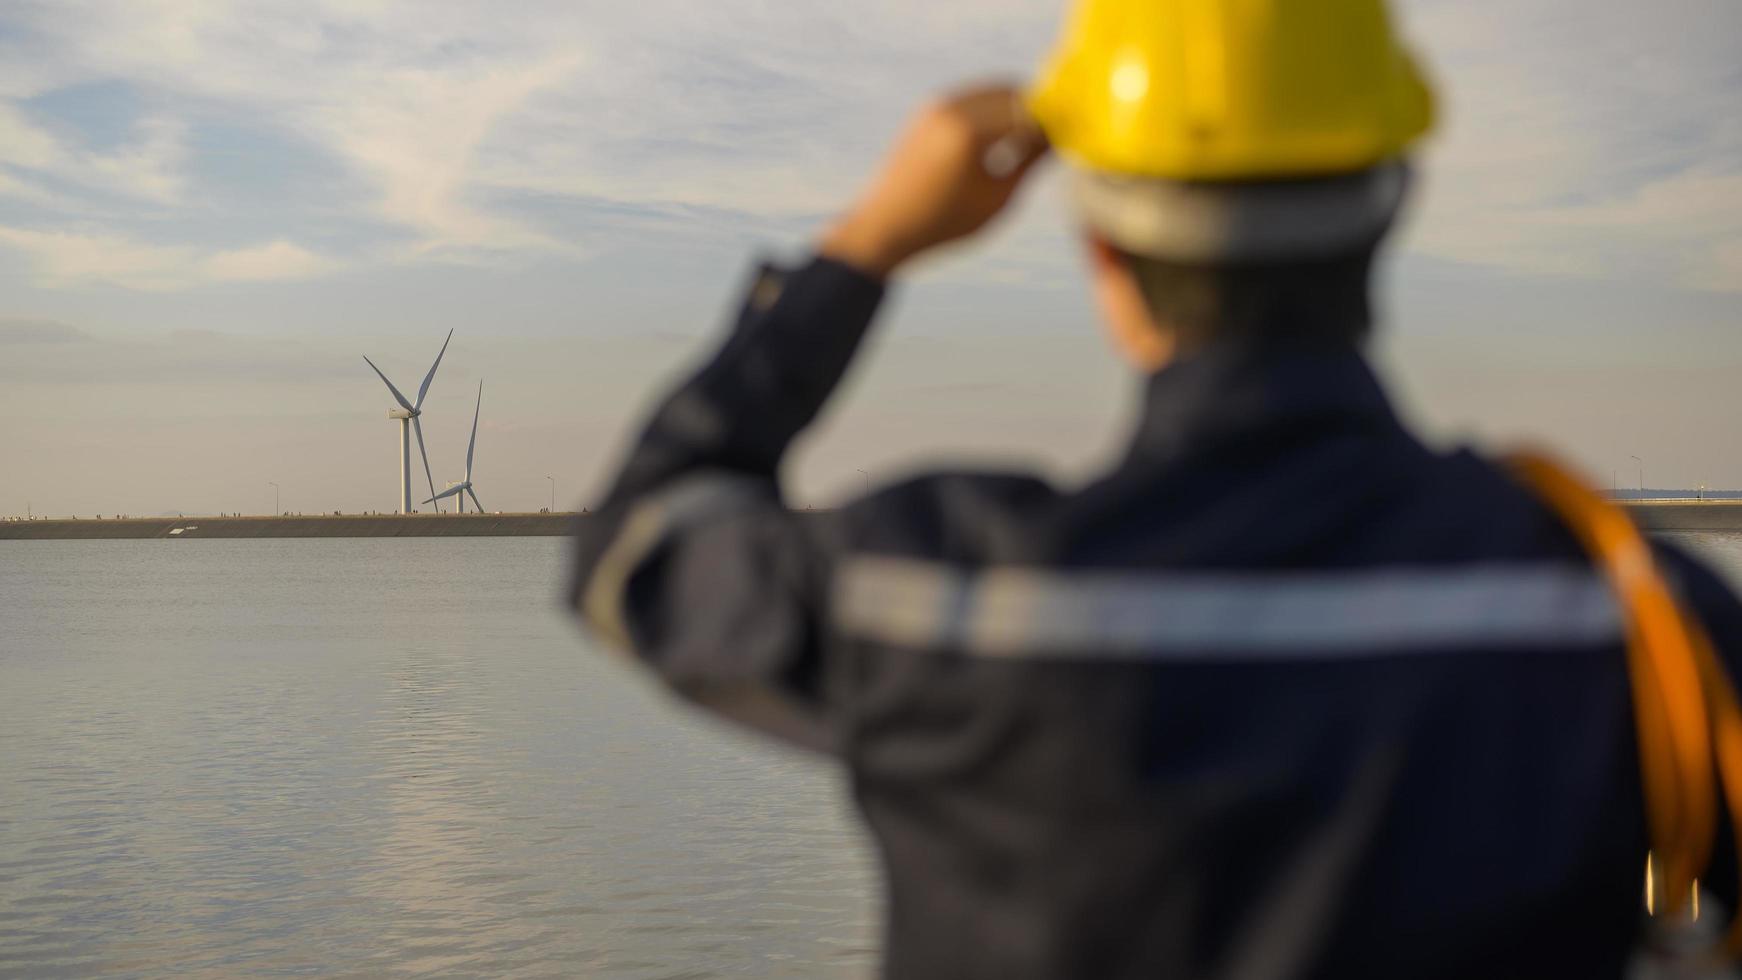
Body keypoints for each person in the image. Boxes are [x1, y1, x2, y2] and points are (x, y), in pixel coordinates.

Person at [569, 0, 1742, 976]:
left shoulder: (932, 595)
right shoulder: (1631, 626)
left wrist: (864, 244)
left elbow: (637, 552)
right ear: (1390, 205)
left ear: (1099, 247)